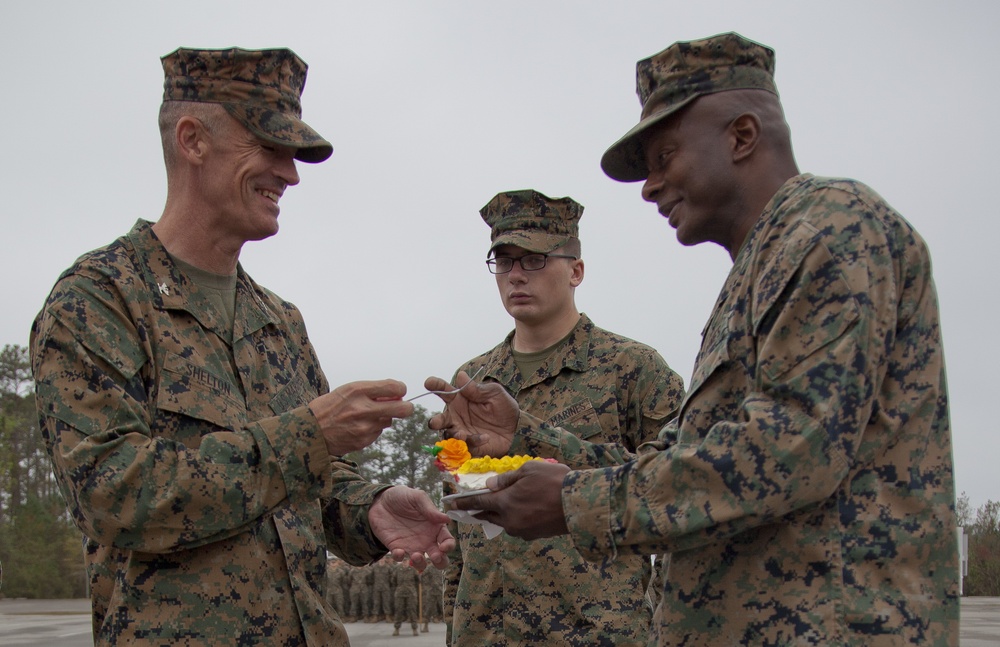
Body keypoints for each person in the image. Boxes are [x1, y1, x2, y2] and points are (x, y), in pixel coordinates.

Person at [432, 32, 959, 645]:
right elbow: (671, 462)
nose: (650, 186)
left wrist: (577, 501)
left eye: (665, 157)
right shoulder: (760, 267)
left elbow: (792, 449)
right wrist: (528, 439)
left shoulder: (829, 230)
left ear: (741, 136)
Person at [29, 46, 454, 646]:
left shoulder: (278, 320)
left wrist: (374, 508)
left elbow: (316, 481)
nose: (290, 173)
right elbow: (115, 494)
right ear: (193, 140)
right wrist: (308, 433)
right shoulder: (99, 302)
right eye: (269, 147)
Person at [444, 189, 685, 645]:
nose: (516, 275)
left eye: (534, 260)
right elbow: (461, 519)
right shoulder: (472, 383)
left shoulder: (633, 370)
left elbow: (675, 493)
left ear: (576, 271)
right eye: (505, 261)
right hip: (486, 632)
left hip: (595, 633)